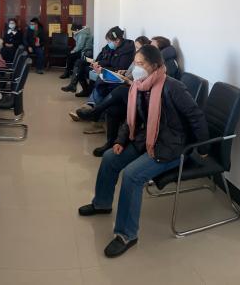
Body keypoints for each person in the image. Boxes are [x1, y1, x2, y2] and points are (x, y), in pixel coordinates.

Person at [78, 45, 208, 258]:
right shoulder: (139, 86)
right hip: (146, 140)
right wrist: (120, 140)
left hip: (172, 147)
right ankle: (101, 203)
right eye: (135, 63)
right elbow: (131, 120)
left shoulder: (173, 87)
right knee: (110, 157)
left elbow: (196, 117)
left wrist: (202, 149)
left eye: (140, 64)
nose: (136, 68)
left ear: (155, 66)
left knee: (132, 175)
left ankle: (126, 234)